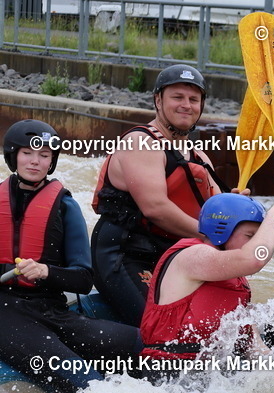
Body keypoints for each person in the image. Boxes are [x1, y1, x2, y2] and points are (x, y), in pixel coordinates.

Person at [0, 120, 141, 393]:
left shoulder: (66, 206)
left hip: (51, 311)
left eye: (44, 155)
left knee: (141, 343)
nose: (35, 161)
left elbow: (83, 278)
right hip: (5, 312)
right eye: (28, 153)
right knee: (92, 388)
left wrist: (45, 271)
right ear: (13, 154)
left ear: (52, 161)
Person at [92, 64, 229, 325]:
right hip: (125, 254)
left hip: (170, 254)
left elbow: (219, 210)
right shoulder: (140, 142)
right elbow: (156, 208)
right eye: (177, 97)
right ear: (158, 100)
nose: (186, 105)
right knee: (161, 327)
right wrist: (213, 238)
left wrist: (256, 215)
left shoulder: (198, 156)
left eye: (193, 99)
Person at [139, 194, 274, 373]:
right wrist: (273, 214)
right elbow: (255, 259)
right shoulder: (193, 256)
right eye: (250, 235)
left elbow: (254, 349)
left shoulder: (234, 279)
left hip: (213, 372)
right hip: (171, 370)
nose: (254, 242)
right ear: (222, 230)